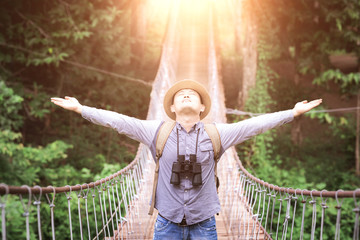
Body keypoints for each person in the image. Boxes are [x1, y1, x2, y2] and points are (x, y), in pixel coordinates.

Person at [51, 79, 322, 240]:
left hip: (204, 223)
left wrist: (293, 113)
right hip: (166, 222)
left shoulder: (219, 134)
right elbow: (118, 121)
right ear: (171, 108)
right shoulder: (156, 131)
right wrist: (81, 108)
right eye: (181, 95)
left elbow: (255, 125)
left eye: (192, 94)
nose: (186, 95)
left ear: (202, 107)